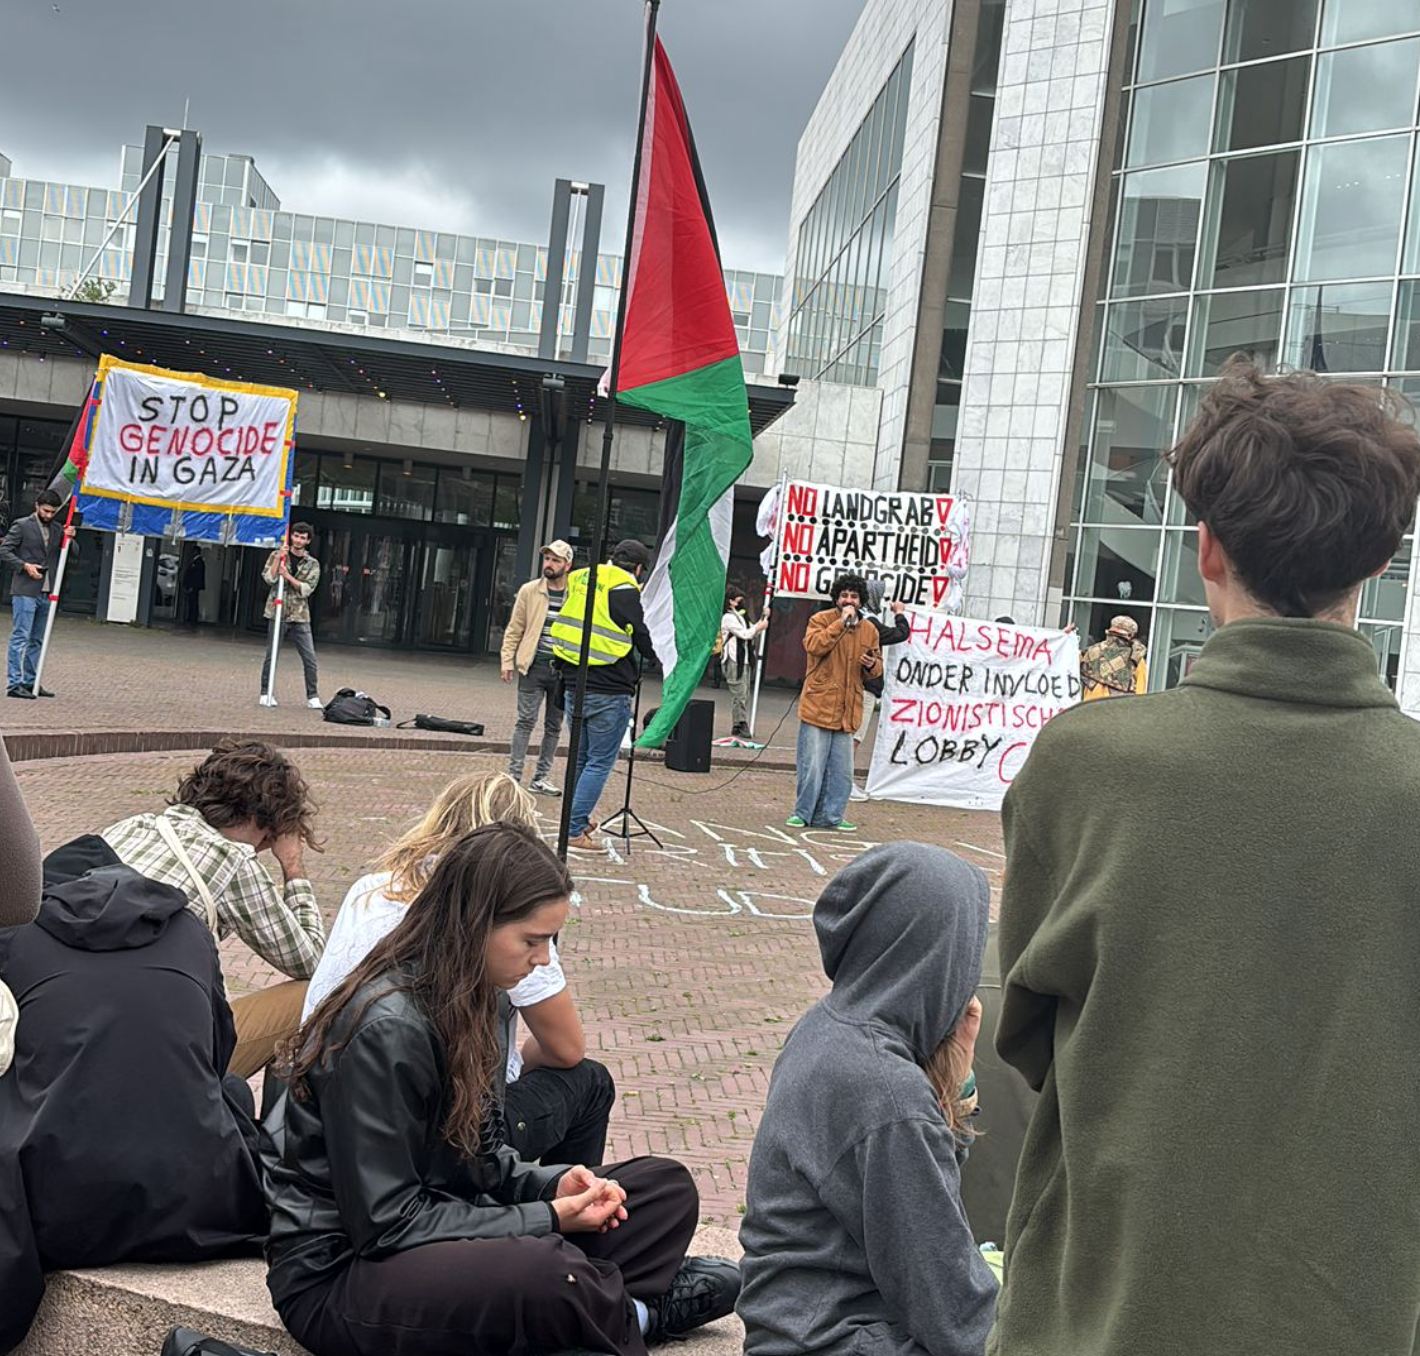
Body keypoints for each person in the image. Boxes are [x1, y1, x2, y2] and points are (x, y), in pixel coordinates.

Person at [991, 361, 1420, 1356]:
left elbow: (1029, 1038)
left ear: (1205, 550)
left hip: (1104, 1310)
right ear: (1379, 562)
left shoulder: (1085, 761)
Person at [264, 821, 739, 1356]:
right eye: (532, 941)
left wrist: (551, 1186)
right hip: (345, 1273)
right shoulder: (385, 1028)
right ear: (473, 924)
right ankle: (632, 1314)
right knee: (548, 1271)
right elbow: (386, 1225)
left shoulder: (483, 997)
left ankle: (595, 1304)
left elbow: (484, 1156)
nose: (542, 959)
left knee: (663, 1189)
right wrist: (549, 1220)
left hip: (446, 1225)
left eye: (549, 941)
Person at [0, 835, 265, 1352]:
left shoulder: (15, 934)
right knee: (229, 1090)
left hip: (61, 1205)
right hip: (200, 1198)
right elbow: (219, 1050)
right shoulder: (189, 928)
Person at [738, 843, 997, 1356]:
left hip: (797, 1324)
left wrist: (957, 1074)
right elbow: (950, 1308)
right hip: (836, 1339)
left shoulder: (830, 1024)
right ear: (933, 957)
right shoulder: (883, 1090)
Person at [301, 770, 615, 1165]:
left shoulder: (371, 888)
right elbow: (566, 1050)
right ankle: (560, 1212)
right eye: (533, 941)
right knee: (588, 1081)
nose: (543, 958)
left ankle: (547, 1200)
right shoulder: (484, 916)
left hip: (329, 1101)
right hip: (419, 1123)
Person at [101, 739, 326, 1079]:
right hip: (152, 1062)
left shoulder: (131, 826)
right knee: (314, 993)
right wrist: (292, 867)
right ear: (265, 822)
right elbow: (311, 960)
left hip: (70, 1024)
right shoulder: (233, 861)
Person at [550, 538, 658, 851]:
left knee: (581, 759)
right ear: (638, 569)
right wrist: (658, 657)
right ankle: (572, 829)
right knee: (599, 762)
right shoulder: (625, 587)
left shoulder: (582, 576)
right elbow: (639, 631)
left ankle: (576, 820)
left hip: (573, 681)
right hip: (609, 686)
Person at [788, 574, 881, 833]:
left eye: (854, 596)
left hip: (848, 709)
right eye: (844, 596)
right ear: (837, 599)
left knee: (842, 771)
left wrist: (872, 665)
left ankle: (832, 816)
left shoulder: (870, 630)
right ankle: (802, 813)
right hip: (820, 703)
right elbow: (814, 646)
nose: (848, 600)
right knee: (812, 765)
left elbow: (877, 666)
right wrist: (840, 624)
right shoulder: (820, 620)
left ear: (861, 601)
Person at [502, 540, 575, 796]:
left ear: (567, 565)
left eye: (555, 560)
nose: (549, 564)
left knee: (554, 726)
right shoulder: (530, 590)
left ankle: (541, 777)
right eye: (547, 559)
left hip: (563, 671)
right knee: (525, 721)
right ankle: (514, 776)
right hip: (533, 667)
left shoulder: (576, 594)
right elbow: (515, 628)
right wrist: (507, 660)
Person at [1, 488, 73, 699]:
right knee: (20, 636)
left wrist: (70, 537)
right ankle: (14, 684)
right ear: (37, 506)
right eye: (46, 511)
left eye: (53, 512)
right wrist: (24, 566)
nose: (49, 515)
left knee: (37, 639)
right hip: (25, 590)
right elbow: (4, 551)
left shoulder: (58, 528)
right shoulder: (22, 525)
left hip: (47, 591)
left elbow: (70, 551)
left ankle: (31, 681)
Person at [849, 580, 910, 802]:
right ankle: (845, 783)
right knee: (855, 737)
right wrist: (900, 613)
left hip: (858, 686)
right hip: (865, 689)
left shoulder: (856, 620)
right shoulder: (870, 623)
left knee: (851, 736)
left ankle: (841, 781)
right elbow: (900, 634)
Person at [258, 521, 322, 709]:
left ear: (308, 541)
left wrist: (287, 576)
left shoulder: (312, 564)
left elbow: (306, 589)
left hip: (300, 616)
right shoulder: (277, 555)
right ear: (291, 536)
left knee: (309, 657)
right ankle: (265, 692)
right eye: (296, 536)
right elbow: (269, 578)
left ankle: (313, 696)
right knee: (272, 655)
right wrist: (279, 558)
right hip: (277, 613)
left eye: (303, 537)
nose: (298, 540)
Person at [720, 587, 767, 738]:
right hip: (734, 660)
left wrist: (763, 619)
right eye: (738, 599)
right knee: (739, 693)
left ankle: (736, 725)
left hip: (744, 659)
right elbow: (744, 634)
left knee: (744, 694)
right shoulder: (728, 618)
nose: (742, 602)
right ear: (731, 602)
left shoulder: (740, 617)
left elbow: (752, 630)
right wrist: (758, 627)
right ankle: (741, 723)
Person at [1077, 614, 1147, 699]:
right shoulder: (1136, 658)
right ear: (1130, 636)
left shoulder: (1091, 652)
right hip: (1116, 708)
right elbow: (1140, 693)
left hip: (1092, 705)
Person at [181, 547, 207, 628]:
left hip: (194, 586)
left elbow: (197, 576)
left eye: (194, 551)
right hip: (191, 586)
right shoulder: (195, 561)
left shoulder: (199, 562)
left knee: (193, 603)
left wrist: (192, 586)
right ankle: (190, 618)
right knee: (191, 602)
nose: (192, 553)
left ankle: (193, 619)